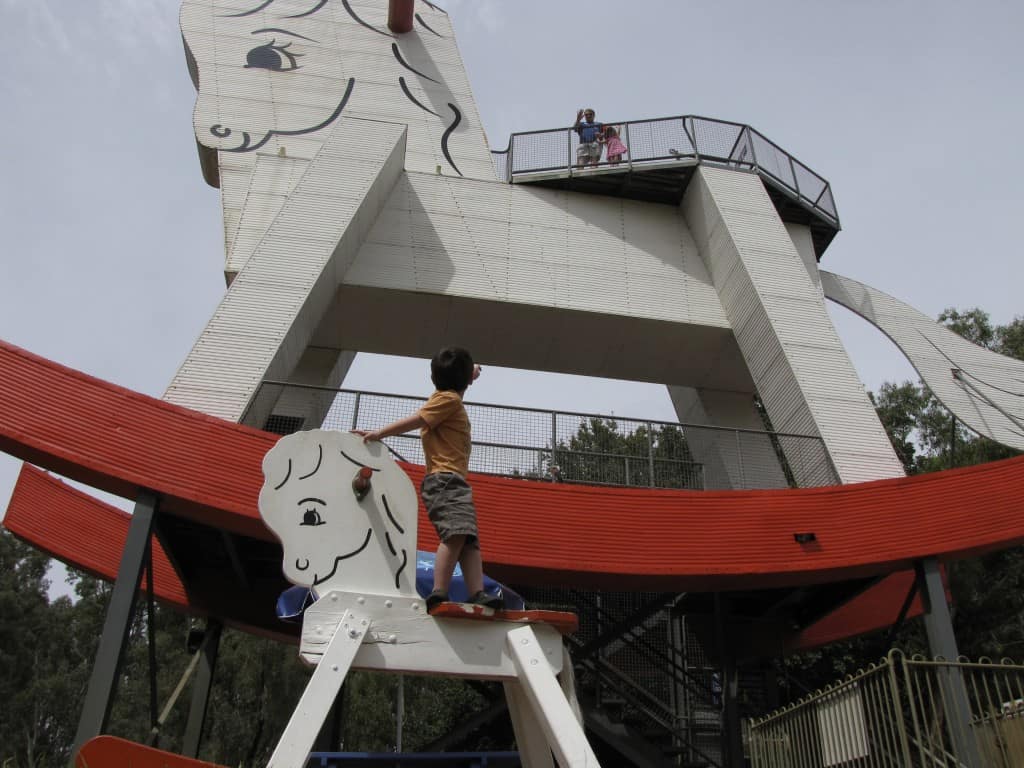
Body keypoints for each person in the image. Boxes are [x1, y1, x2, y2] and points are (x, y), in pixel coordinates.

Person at [356, 347, 503, 611]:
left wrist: (471, 373)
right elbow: (417, 419)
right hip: (446, 480)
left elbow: (453, 389)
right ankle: (439, 590)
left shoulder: (444, 398)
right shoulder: (449, 401)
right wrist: (380, 433)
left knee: (468, 539)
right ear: (464, 379)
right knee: (456, 535)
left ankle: (477, 592)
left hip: (451, 480)